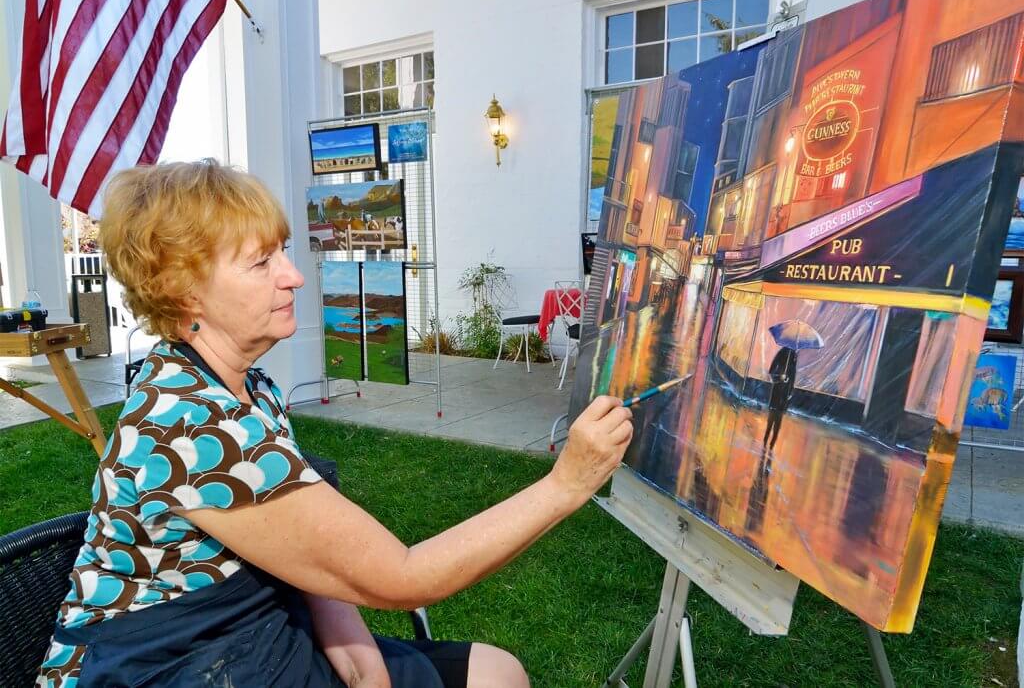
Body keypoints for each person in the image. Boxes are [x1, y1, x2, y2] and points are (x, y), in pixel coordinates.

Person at [36, 161, 633, 688]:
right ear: (184, 291)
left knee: (498, 674)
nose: (293, 276)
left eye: (284, 252)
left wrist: (362, 668)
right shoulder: (190, 426)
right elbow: (404, 577)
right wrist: (566, 484)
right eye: (261, 261)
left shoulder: (247, 388)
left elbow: (304, 553)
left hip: (256, 637)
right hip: (175, 666)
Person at [763, 346, 797, 451]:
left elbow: (792, 379)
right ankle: (765, 441)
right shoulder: (781, 354)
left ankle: (772, 444)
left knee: (778, 422)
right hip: (777, 392)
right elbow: (771, 371)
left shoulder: (794, 357)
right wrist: (779, 377)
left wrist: (790, 391)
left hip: (784, 395)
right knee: (771, 420)